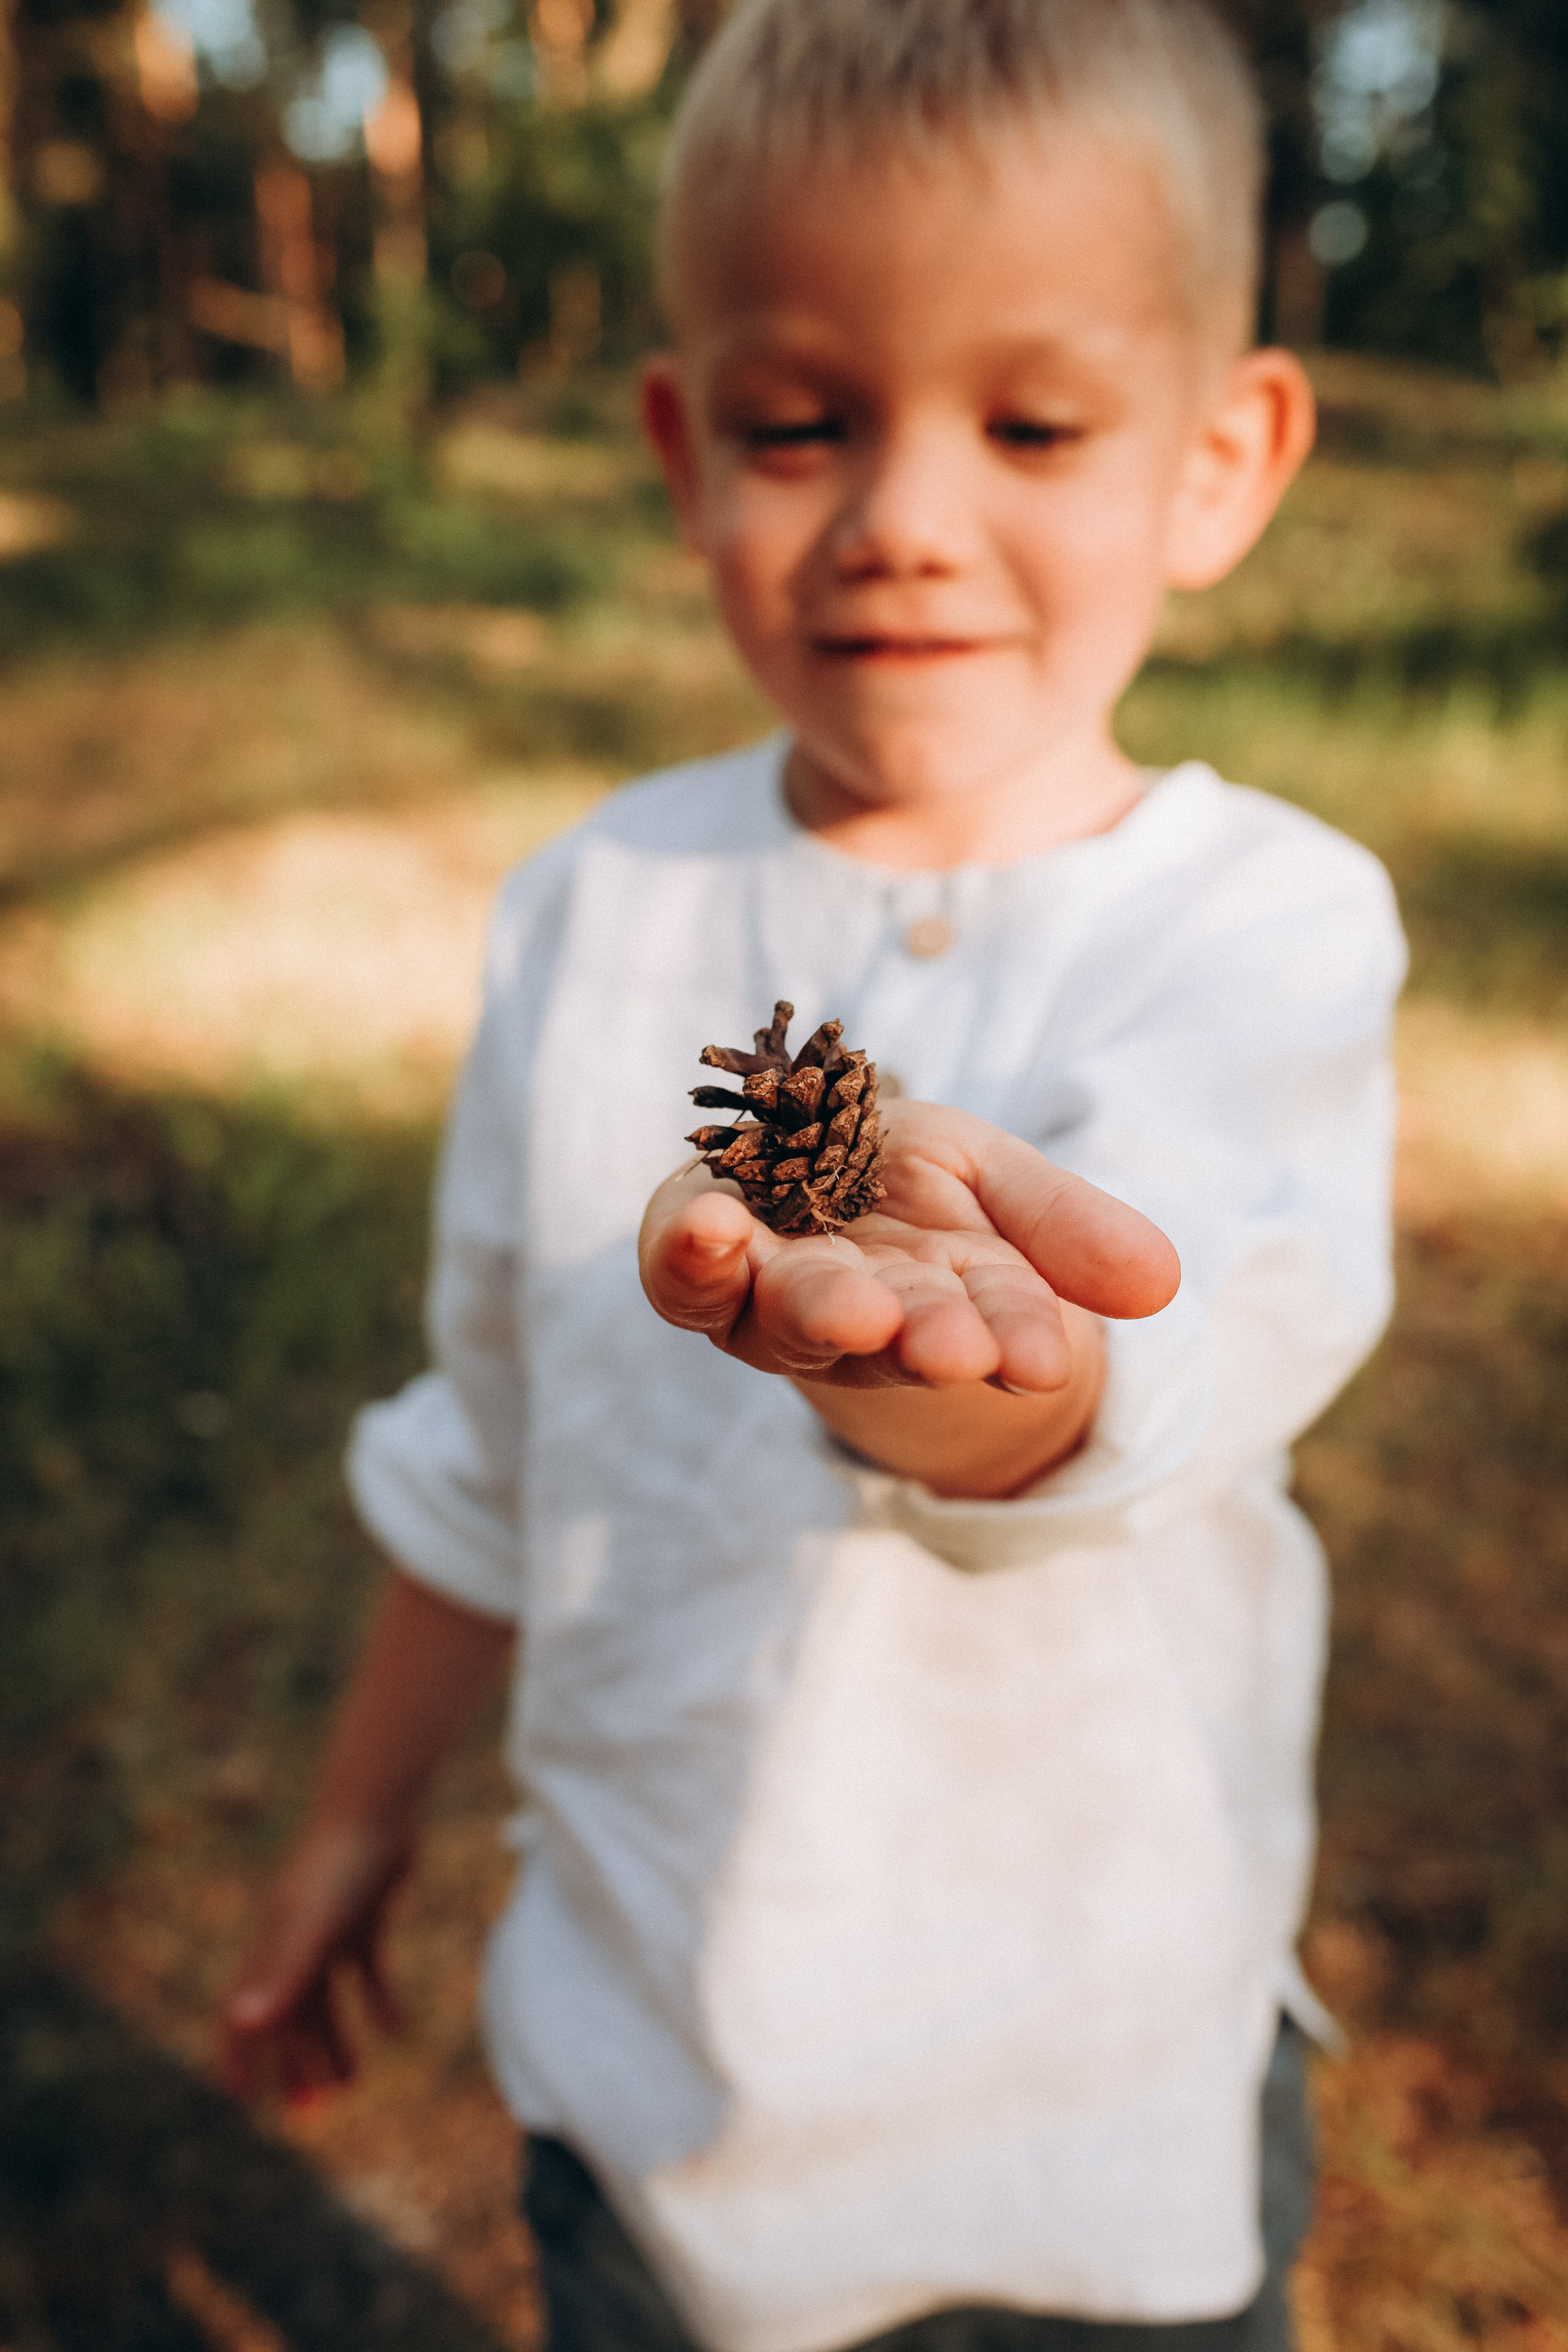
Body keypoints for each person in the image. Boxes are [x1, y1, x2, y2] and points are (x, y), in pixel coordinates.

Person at [221, 2, 1407, 2346]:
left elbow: (1150, 1354)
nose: (903, 518)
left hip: (1104, 2116)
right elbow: (489, 1444)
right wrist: (362, 1818)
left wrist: (943, 1381)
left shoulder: (1266, 928)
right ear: (684, 446)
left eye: (1033, 421)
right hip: (651, 2108)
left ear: (1221, 454)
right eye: (802, 422)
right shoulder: (584, 916)